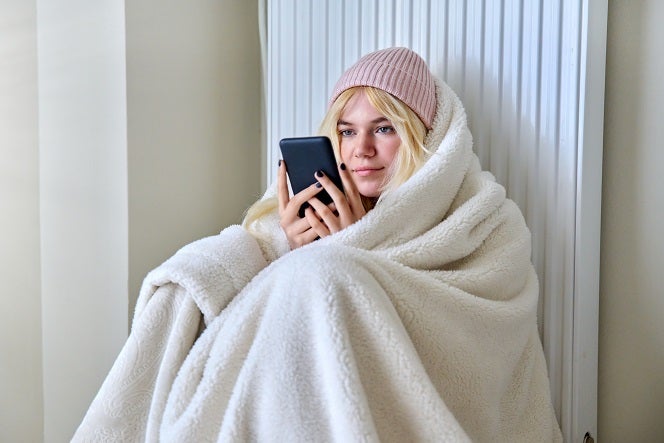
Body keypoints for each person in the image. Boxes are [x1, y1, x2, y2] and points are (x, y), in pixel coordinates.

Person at [73, 47, 562, 442]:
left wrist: (349, 249)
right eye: (347, 131)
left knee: (322, 276)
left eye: (384, 129)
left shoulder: (483, 220)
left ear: (425, 137)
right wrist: (289, 244)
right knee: (193, 274)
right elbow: (261, 309)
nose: (360, 149)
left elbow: (470, 339)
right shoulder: (302, 212)